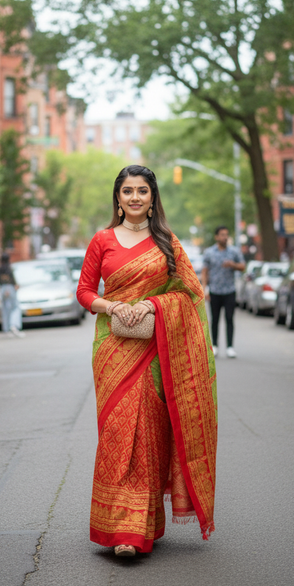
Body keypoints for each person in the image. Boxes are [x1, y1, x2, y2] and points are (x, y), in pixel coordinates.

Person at [77, 165, 217, 559]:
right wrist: (115, 305)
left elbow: (191, 294)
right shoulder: (101, 240)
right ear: (117, 199)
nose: (135, 197)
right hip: (113, 347)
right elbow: (85, 292)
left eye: (142, 191)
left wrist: (153, 304)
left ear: (153, 198)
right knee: (118, 434)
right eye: (127, 191)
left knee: (149, 435)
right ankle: (117, 525)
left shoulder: (167, 242)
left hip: (155, 348)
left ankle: (137, 528)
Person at [201, 226, 245, 359]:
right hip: (214, 291)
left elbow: (243, 266)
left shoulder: (234, 251)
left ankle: (230, 347)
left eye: (226, 235)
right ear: (216, 237)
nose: (224, 237)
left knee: (229, 319)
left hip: (229, 291)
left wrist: (233, 265)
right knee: (214, 320)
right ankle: (214, 346)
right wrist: (205, 289)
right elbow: (205, 271)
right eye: (222, 235)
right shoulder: (209, 252)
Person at [0, 253, 24, 338]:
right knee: (15, 307)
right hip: (10, 288)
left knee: (5, 309)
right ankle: (14, 325)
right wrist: (15, 286)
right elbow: (12, 279)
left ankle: (7, 328)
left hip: (2, 289)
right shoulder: (9, 268)